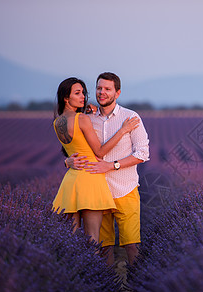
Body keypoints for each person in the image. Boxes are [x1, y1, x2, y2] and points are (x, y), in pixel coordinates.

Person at [66, 72, 150, 265]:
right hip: (98, 192)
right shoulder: (87, 118)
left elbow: (143, 153)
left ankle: (137, 287)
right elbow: (74, 147)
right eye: (99, 88)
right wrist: (68, 161)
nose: (102, 92)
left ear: (117, 93)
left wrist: (111, 166)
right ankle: (108, 288)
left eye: (107, 89)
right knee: (104, 247)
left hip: (125, 189)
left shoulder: (130, 117)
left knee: (131, 244)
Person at [53, 77, 140, 244]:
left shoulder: (57, 122)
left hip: (71, 181)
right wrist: (123, 130)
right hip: (91, 179)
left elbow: (72, 151)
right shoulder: (83, 119)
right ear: (66, 97)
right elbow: (99, 152)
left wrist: (67, 162)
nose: (83, 97)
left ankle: (74, 271)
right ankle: (96, 271)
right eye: (77, 93)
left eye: (83, 93)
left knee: (70, 242)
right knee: (93, 241)